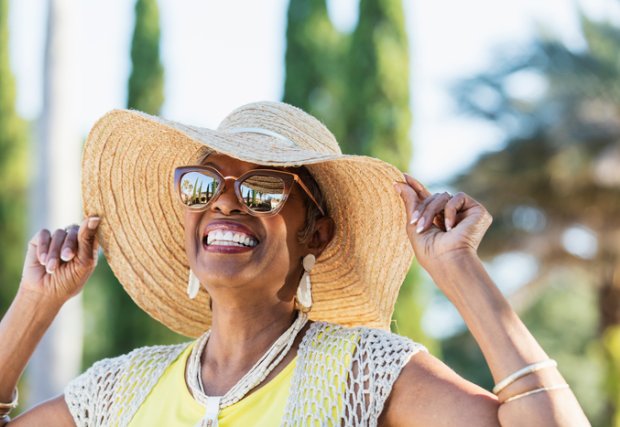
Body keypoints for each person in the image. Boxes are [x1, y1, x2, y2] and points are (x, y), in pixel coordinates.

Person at [0, 101, 589, 426]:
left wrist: (459, 269)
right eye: (203, 185)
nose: (225, 201)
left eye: (262, 191)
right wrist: (34, 305)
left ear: (317, 234)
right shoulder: (118, 390)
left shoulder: (367, 372)